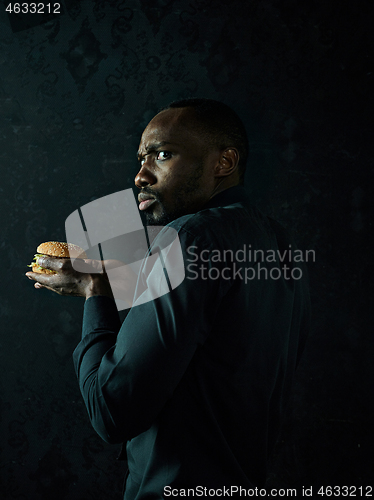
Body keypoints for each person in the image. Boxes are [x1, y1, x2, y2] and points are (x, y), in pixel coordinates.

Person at [26, 98, 311, 498]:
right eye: (141, 159)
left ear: (224, 163)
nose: (141, 175)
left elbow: (111, 411)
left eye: (163, 154)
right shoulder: (280, 244)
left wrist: (95, 290)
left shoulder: (188, 238)